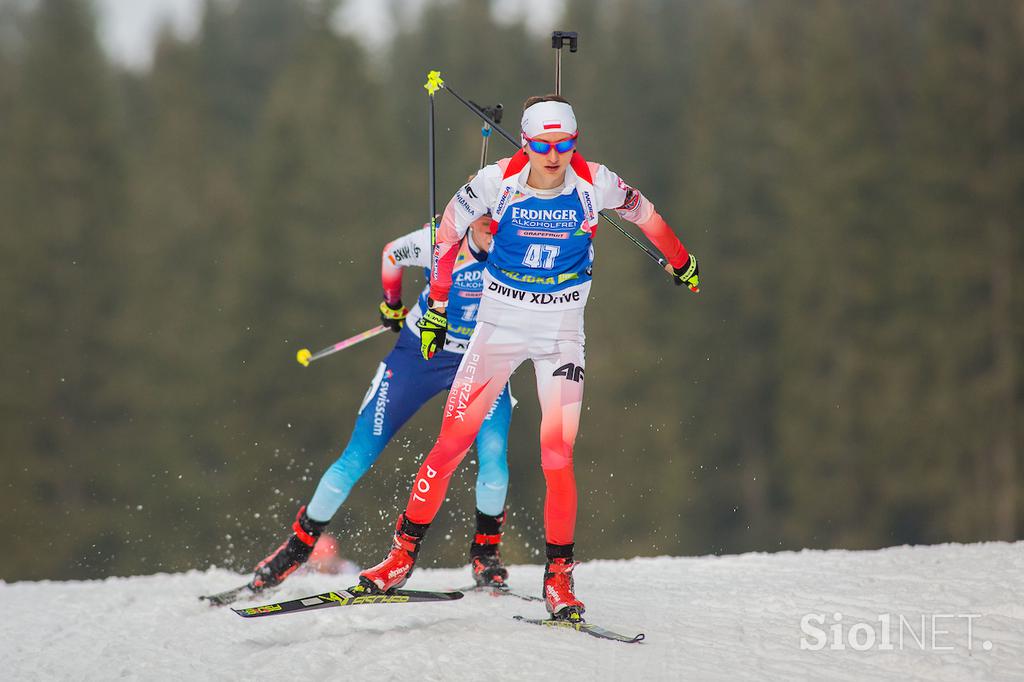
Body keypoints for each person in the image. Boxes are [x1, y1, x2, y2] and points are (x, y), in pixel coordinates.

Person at [357, 95, 700, 621]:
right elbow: (444, 236)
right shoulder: (495, 183)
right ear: (526, 142)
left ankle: (559, 578)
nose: (554, 154)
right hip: (498, 327)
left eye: (565, 144)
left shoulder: (597, 183)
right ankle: (400, 558)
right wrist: (437, 308)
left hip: (562, 333)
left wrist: (681, 261)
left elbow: (650, 219)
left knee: (556, 455)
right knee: (451, 444)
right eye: (543, 144)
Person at [249, 215, 516, 592]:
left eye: (501, 221)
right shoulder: (440, 241)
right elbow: (392, 254)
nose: (494, 230)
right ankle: (295, 551)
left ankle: (486, 556)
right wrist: (392, 304)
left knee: (494, 460)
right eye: (486, 222)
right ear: (470, 220)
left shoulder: (522, 248)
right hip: (419, 356)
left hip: (481, 362)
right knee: (357, 455)